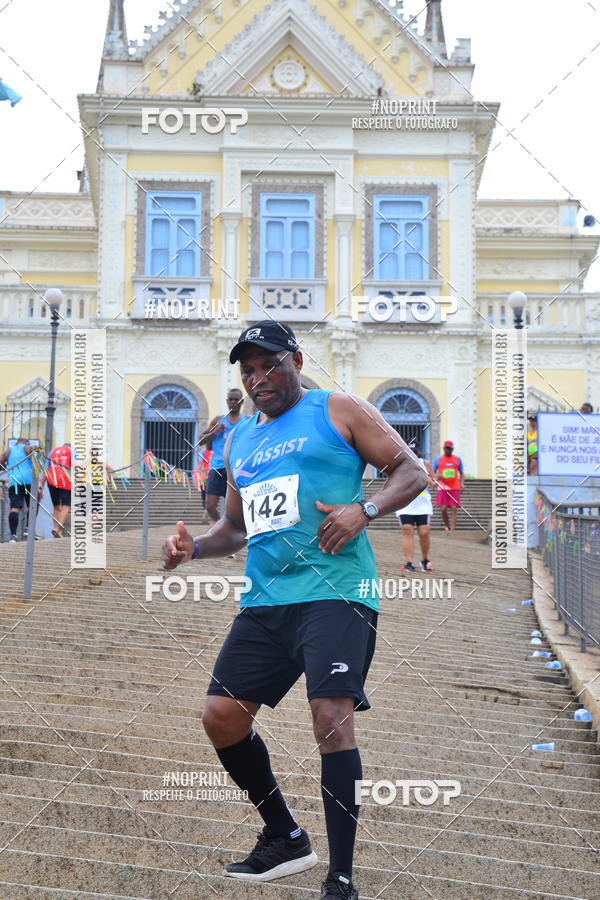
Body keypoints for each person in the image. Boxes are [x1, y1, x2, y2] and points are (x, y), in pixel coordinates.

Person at [162, 321, 427, 900]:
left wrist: (364, 510)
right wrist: (194, 548)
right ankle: (285, 836)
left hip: (337, 592)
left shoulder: (338, 408)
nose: (259, 379)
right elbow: (234, 528)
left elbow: (411, 470)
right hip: (266, 599)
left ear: (297, 361)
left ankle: (340, 877)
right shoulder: (239, 439)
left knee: (330, 718)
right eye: (248, 370)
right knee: (221, 716)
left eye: (270, 365)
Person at [199, 388, 244, 522]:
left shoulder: (247, 421)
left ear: (242, 401)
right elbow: (201, 441)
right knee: (210, 506)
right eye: (230, 399)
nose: (233, 402)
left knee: (239, 507)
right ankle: (221, 525)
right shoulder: (218, 420)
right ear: (227, 401)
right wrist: (214, 432)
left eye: (236, 399)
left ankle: (236, 529)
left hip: (238, 468)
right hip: (217, 467)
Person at [395, 442, 435, 572]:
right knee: (407, 530)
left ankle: (425, 559)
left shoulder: (425, 463)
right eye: (411, 452)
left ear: (419, 453)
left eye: (415, 452)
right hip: (405, 503)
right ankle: (409, 563)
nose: (413, 455)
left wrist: (431, 481)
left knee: (424, 532)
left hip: (422, 504)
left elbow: (434, 482)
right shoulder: (398, 464)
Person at [0, 438, 35, 542]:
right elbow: (35, 451)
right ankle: (28, 528)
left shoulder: (8, 451)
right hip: (29, 481)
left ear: (16, 443)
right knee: (33, 505)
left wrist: (8, 468)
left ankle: (13, 536)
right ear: (26, 442)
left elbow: (0, 464)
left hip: (14, 481)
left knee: (15, 508)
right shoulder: (27, 447)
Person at [40, 442, 72, 538]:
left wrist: (41, 483)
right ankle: (57, 529)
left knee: (56, 506)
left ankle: (56, 529)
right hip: (65, 480)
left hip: (52, 480)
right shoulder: (72, 451)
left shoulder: (52, 451)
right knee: (66, 506)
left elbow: (46, 468)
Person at [433, 440, 464, 531]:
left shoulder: (457, 459)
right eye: (446, 448)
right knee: (443, 509)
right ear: (443, 448)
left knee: (454, 508)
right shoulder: (438, 459)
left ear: (452, 449)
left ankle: (453, 530)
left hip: (454, 486)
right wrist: (436, 478)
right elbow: (432, 472)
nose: (448, 450)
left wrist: (462, 483)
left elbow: (461, 472)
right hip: (443, 487)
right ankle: (448, 526)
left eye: (450, 448)